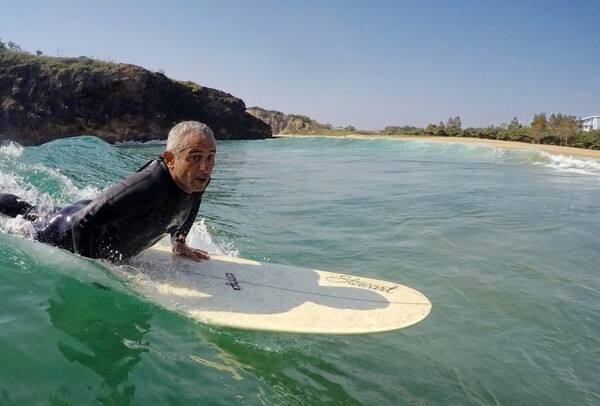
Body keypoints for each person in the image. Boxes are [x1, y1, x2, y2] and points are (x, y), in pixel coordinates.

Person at [0, 120, 216, 262]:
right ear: (169, 159)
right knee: (26, 219)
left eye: (210, 157)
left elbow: (192, 201)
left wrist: (179, 241)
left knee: (32, 210)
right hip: (60, 233)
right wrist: (93, 273)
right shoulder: (148, 186)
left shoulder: (196, 179)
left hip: (90, 213)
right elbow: (80, 223)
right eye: (195, 157)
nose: (205, 167)